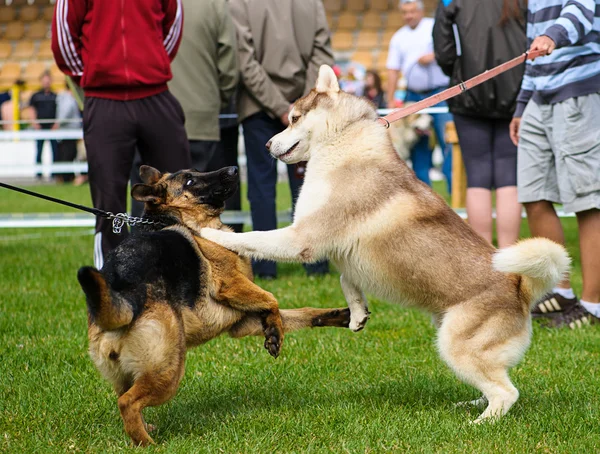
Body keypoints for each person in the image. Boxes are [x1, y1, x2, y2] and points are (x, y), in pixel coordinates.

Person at [52, 0, 192, 269]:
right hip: (104, 100)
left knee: (176, 192)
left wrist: (151, 64)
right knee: (109, 205)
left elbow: (173, 24)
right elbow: (62, 37)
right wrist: (94, 74)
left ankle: (177, 276)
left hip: (155, 94)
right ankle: (113, 287)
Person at [509, 0, 600, 328]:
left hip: (578, 92)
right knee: (533, 195)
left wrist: (553, 34)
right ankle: (561, 291)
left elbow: (581, 12)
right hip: (540, 97)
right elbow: (533, 51)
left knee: (588, 201)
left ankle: (593, 306)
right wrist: (522, 105)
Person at [229, 0, 332, 279]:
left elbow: (244, 60)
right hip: (302, 105)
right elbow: (321, 53)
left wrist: (281, 107)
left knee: (262, 187)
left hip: (258, 105)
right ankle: (316, 261)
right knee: (309, 182)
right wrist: (301, 105)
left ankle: (265, 267)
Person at [433, 0, 526, 248]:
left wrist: (458, 72)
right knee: (509, 177)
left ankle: (485, 259)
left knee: (478, 176)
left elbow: (442, 47)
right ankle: (509, 257)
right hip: (516, 93)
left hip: (469, 93)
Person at [386, 0, 452, 190]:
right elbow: (392, 69)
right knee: (417, 149)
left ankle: (454, 195)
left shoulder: (433, 26)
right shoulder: (399, 37)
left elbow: (451, 50)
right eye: (405, 12)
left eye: (412, 11)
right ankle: (424, 194)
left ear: (421, 11)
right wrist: (391, 99)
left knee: (447, 141)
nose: (409, 16)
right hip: (413, 95)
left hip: (440, 93)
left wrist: (434, 56)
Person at [29, 71, 58, 180]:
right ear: (41, 81)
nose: (46, 82)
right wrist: (34, 123)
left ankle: (54, 173)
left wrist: (56, 123)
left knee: (54, 150)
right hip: (39, 127)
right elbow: (31, 109)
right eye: (44, 80)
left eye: (48, 80)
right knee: (39, 150)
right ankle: (38, 173)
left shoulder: (55, 96)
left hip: (52, 128)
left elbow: (59, 110)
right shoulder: (35, 96)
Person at [53, 82, 82, 183]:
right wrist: (58, 123)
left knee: (70, 154)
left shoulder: (68, 97)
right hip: (68, 132)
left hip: (70, 132)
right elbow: (65, 113)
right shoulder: (68, 98)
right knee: (67, 154)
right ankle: (66, 178)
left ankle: (68, 177)